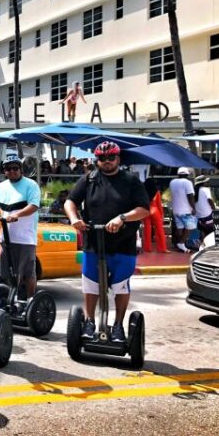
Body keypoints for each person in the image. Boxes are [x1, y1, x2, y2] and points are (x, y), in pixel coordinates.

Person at [64, 141, 150, 342]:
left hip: (123, 243)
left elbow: (144, 209)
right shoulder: (89, 179)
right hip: (94, 241)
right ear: (97, 160)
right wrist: (74, 219)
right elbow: (70, 201)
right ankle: (89, 322)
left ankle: (118, 325)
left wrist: (122, 218)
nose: (107, 162)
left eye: (111, 157)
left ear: (118, 158)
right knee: (91, 285)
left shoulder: (130, 181)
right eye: (102, 158)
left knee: (121, 286)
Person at [0, 154, 42, 298]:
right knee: (6, 273)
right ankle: (11, 299)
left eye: (15, 168)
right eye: (8, 169)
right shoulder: (1, 187)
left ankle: (30, 299)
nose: (12, 171)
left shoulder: (31, 185)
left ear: (21, 169)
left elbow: (33, 206)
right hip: (6, 238)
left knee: (27, 273)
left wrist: (16, 215)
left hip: (25, 239)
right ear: (4, 171)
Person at [169, 167, 197, 253]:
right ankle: (181, 243)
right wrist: (193, 207)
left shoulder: (172, 182)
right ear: (187, 174)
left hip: (176, 209)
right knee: (191, 226)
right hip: (186, 210)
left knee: (180, 227)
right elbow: (190, 196)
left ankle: (181, 245)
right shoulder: (187, 182)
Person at [142, 177, 168, 254]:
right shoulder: (156, 192)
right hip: (155, 211)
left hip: (146, 211)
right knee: (160, 230)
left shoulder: (143, 192)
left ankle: (147, 248)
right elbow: (159, 205)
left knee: (147, 230)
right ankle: (162, 248)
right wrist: (162, 214)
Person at [194, 175, 216, 240]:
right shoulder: (205, 189)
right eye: (207, 182)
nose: (208, 183)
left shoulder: (194, 190)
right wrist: (214, 209)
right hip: (207, 215)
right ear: (203, 183)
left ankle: (203, 243)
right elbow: (210, 200)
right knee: (211, 230)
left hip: (198, 216)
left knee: (203, 229)